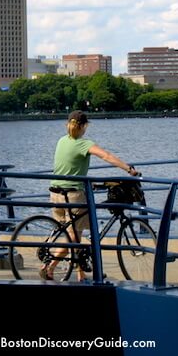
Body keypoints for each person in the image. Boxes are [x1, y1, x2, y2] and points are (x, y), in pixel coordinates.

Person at [44, 110, 139, 281]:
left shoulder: (61, 141)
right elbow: (106, 156)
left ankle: (81, 274)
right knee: (73, 236)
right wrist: (128, 169)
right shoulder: (83, 144)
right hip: (72, 195)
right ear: (84, 126)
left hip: (55, 192)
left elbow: (69, 166)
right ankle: (49, 266)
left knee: (74, 233)